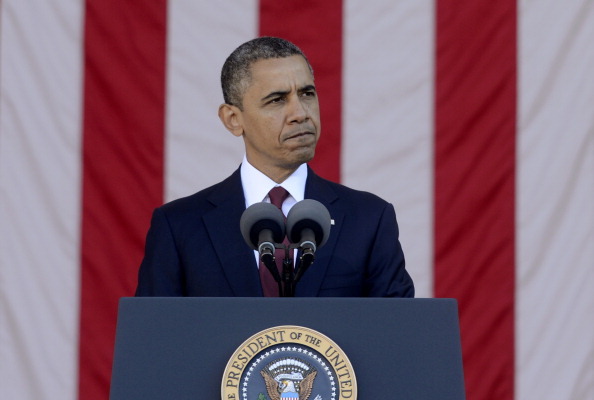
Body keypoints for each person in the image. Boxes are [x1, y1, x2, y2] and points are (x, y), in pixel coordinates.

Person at [135, 37, 414, 297]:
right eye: (277, 100)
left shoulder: (369, 219)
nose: (300, 113)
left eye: (307, 94)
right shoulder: (179, 226)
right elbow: (154, 339)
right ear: (233, 119)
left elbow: (397, 335)